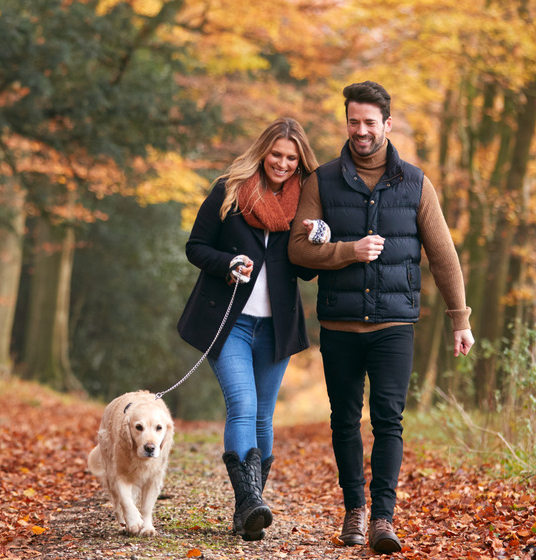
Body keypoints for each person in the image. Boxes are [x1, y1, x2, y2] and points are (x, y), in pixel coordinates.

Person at [287, 81, 474, 554]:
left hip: (394, 325)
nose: (362, 130)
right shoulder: (322, 181)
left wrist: (460, 319)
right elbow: (297, 250)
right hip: (339, 325)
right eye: (354, 121)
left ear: (387, 125)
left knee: (389, 420)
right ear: (346, 122)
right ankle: (355, 510)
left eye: (371, 122)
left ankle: (383, 519)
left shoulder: (415, 183)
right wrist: (348, 251)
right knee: (345, 420)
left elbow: (443, 255)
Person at [177, 117, 319, 541]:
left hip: (276, 328)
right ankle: (250, 503)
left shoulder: (306, 204)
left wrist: (315, 240)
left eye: (291, 158)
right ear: (263, 151)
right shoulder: (230, 190)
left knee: (263, 415)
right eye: (276, 154)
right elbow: (195, 247)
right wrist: (228, 264)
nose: (283, 163)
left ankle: (248, 509)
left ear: (299, 161)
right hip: (230, 322)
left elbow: (307, 274)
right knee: (242, 404)